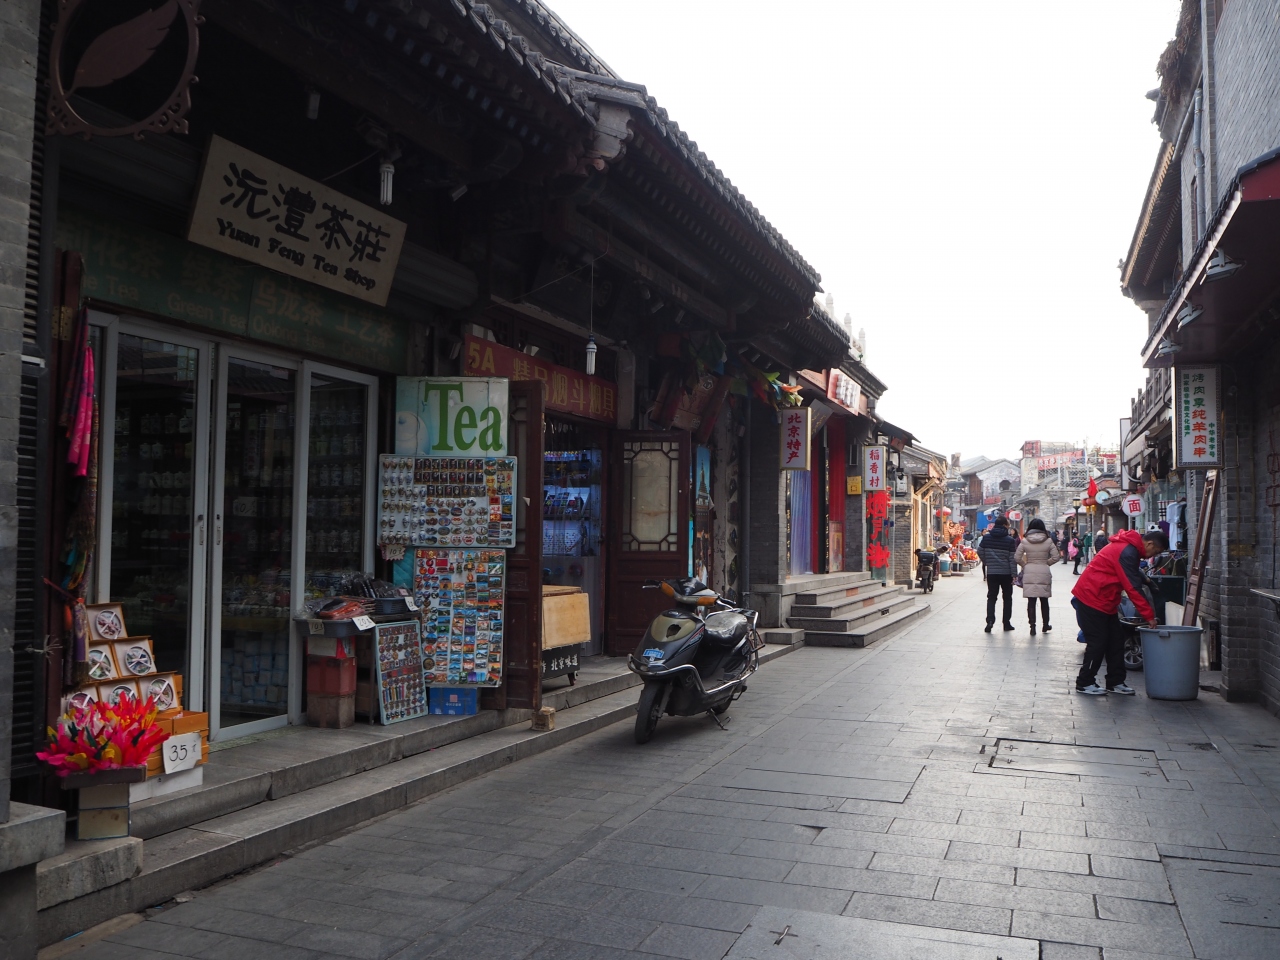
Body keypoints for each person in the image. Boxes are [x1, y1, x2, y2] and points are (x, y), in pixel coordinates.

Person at [1072, 528, 1169, 695]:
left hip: (1106, 600)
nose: (1152, 556)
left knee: (1116, 641)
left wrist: (1147, 581)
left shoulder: (1130, 549)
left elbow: (1131, 572)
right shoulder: (1128, 551)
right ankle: (1084, 682)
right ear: (1150, 544)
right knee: (1098, 642)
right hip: (1092, 597)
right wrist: (1149, 616)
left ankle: (1115, 682)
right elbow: (1132, 587)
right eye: (1156, 551)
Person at [1016, 517, 1060, 635]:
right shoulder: (1048, 541)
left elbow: (1017, 557)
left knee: (1031, 600)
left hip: (1029, 570)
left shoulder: (1025, 541)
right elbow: (1056, 557)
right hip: (1043, 570)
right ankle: (1045, 625)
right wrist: (1046, 563)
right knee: (1044, 600)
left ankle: (1032, 626)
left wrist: (1025, 565)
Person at [977, 516, 1018, 633]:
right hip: (1006, 573)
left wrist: (987, 562)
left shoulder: (987, 537)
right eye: (1008, 524)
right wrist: (1014, 574)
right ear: (1005, 525)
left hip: (992, 572)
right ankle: (1006, 623)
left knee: (991, 597)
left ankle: (990, 621)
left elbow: (979, 551)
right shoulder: (1010, 540)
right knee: (1007, 598)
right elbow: (1012, 559)